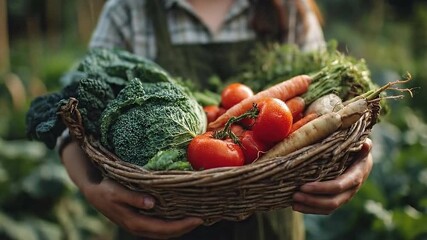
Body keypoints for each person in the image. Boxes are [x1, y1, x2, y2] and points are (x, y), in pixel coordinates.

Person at [60, 0, 374, 239]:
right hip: (155, 219)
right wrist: (90, 187)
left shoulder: (288, 7)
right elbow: (72, 107)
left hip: (271, 224)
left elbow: (337, 108)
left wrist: (357, 159)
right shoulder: (129, 10)